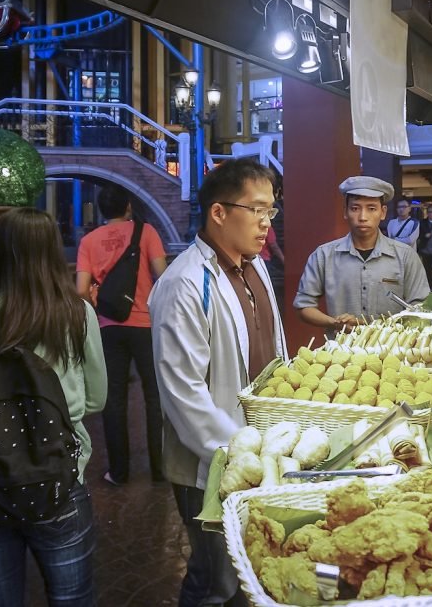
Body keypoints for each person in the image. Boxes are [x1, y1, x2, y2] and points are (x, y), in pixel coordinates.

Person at [150, 157, 287, 607]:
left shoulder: (255, 267)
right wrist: (241, 455)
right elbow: (182, 393)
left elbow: (274, 354)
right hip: (210, 462)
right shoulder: (185, 283)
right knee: (215, 580)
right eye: (258, 210)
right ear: (220, 212)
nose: (267, 222)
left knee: (247, 571)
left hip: (258, 451)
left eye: (272, 211)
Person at [0, 207, 107, 607]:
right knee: (73, 598)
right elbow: (97, 398)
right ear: (52, 251)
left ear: (0, 251)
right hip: (60, 476)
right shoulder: (78, 313)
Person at [76, 184, 167, 486]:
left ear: (102, 209)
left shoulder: (89, 241)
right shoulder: (147, 232)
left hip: (108, 325)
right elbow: (163, 277)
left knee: (113, 398)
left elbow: (80, 292)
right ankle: (160, 468)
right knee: (155, 397)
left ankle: (118, 471)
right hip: (145, 325)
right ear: (128, 206)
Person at [294, 176, 429, 332]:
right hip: (341, 352)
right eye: (355, 208)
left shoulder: (406, 256)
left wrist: (384, 328)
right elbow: (303, 305)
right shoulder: (324, 256)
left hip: (393, 351)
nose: (363, 217)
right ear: (345, 212)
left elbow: (421, 308)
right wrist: (335, 323)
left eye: (371, 208)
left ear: (383, 212)